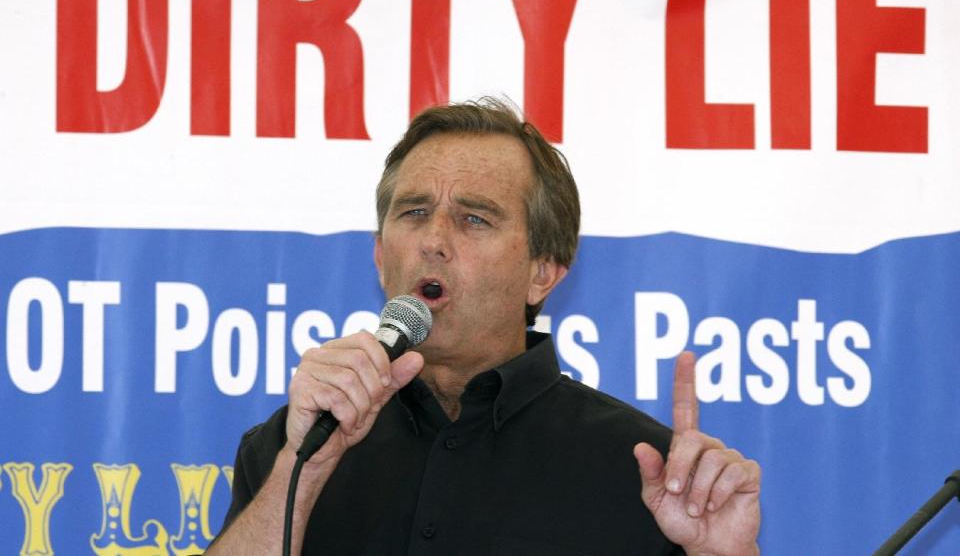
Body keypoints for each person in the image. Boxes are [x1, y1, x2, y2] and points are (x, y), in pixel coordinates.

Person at [208, 99, 761, 555]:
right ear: (380, 257)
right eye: (414, 213)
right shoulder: (297, 443)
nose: (433, 240)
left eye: (474, 218)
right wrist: (300, 475)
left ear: (541, 273)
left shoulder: (647, 473)